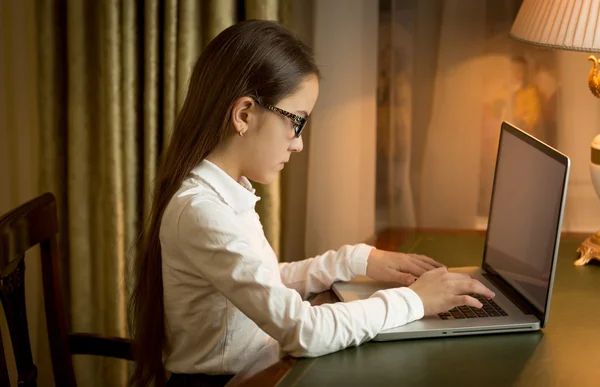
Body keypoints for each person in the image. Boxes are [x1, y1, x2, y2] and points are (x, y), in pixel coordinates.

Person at [129, 20, 495, 387]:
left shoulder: (225, 193)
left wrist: (357, 259)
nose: (298, 144)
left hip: (257, 370)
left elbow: (263, 282)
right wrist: (413, 301)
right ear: (244, 115)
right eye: (297, 122)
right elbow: (303, 331)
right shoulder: (203, 211)